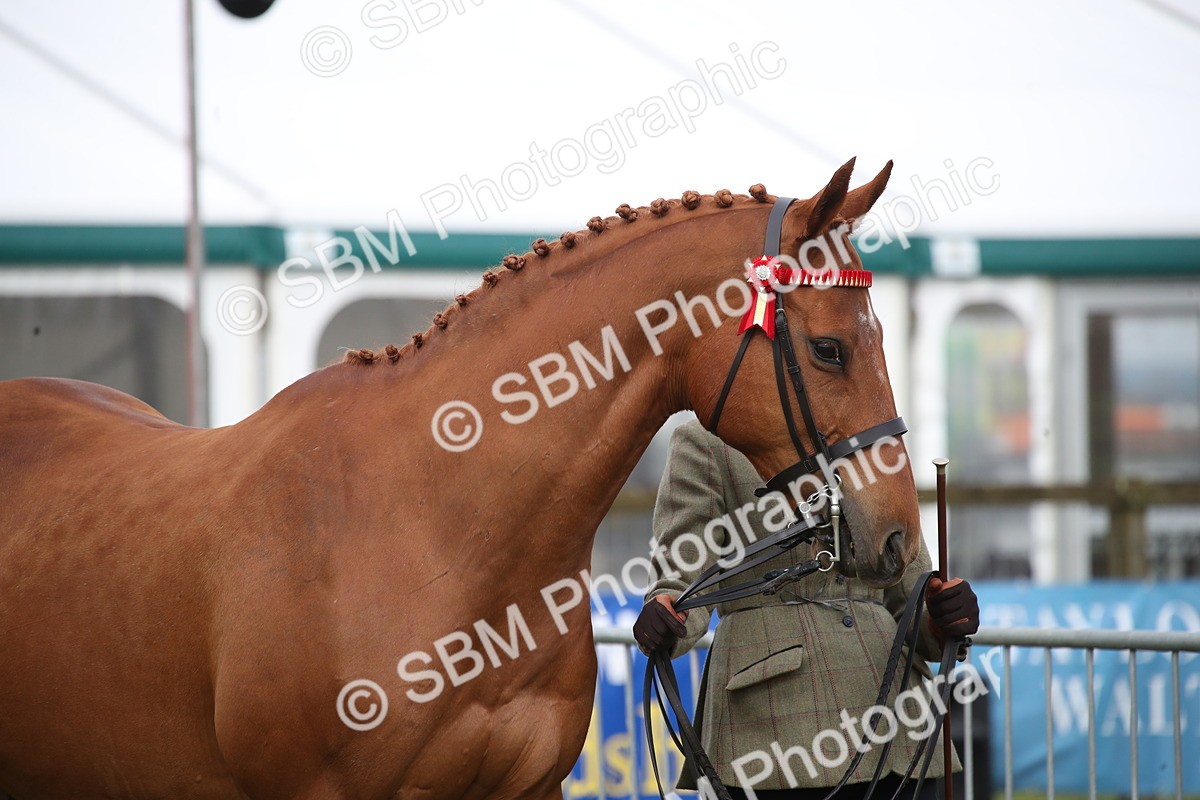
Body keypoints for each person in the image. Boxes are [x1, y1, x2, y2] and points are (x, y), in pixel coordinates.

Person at [633, 421, 980, 800]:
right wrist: (668, 613)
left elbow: (909, 591)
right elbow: (683, 575)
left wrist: (941, 617)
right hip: (772, 730)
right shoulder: (705, 440)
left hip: (897, 724)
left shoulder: (866, 428)